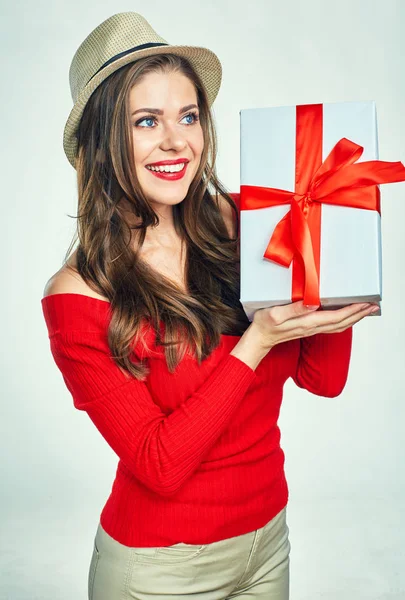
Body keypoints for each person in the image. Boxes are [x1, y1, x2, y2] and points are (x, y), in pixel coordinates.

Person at [41, 12, 379, 600]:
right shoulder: (77, 296)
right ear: (102, 142)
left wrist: (329, 264)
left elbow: (323, 381)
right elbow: (159, 464)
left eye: (189, 117)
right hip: (157, 571)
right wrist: (257, 340)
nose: (178, 143)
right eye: (146, 121)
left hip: (267, 543)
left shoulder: (248, 222)